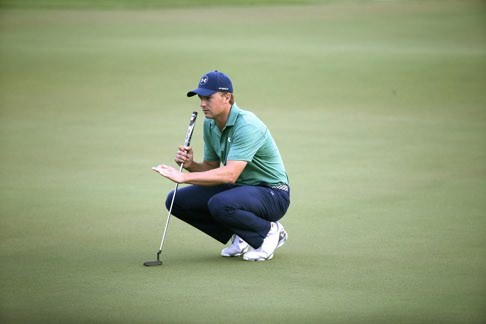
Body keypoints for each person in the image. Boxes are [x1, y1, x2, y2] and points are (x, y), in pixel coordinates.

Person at [152, 70, 290, 261]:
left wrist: (183, 177)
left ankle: (269, 231)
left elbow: (230, 174)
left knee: (220, 203)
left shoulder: (247, 125)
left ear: (227, 97)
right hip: (241, 190)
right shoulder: (210, 124)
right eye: (200, 98)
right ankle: (242, 235)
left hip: (272, 193)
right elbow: (211, 167)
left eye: (208, 98)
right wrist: (191, 165)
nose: (202, 104)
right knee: (176, 200)